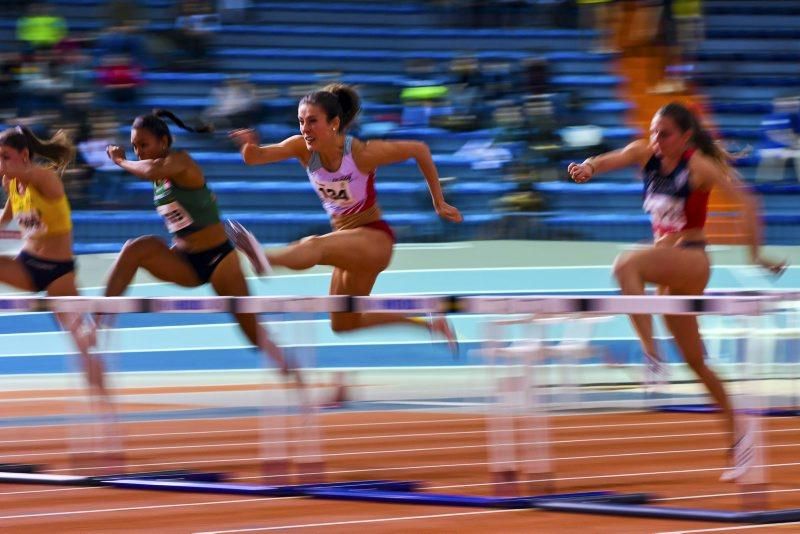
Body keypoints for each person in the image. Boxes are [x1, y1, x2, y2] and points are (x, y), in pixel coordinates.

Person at [567, 102, 785, 481]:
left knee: (626, 265)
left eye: (664, 134)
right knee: (697, 362)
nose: (656, 140)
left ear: (685, 136)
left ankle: (652, 357)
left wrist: (755, 255)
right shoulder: (645, 153)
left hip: (692, 260)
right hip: (667, 264)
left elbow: (748, 200)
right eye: (653, 132)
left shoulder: (698, 165)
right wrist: (587, 167)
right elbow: (608, 159)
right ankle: (741, 438)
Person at [228, 83, 461, 350]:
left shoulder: (361, 153)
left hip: (374, 240)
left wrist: (439, 202)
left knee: (315, 245)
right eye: (301, 121)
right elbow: (256, 158)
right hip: (348, 243)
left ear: (334, 123)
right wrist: (248, 145)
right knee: (342, 323)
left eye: (312, 121)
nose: (305, 129)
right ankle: (430, 323)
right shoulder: (303, 149)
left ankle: (264, 258)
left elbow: (419, 149)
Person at [103, 109, 291, 375]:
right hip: (185, 262)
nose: (139, 152)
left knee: (252, 332)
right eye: (134, 147)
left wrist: (121, 161)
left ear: (164, 142)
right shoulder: (158, 176)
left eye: (144, 145)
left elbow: (149, 169)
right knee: (135, 249)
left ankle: (295, 376)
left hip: (219, 259)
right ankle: (98, 323)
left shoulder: (180, 161)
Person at [0, 125, 113, 440]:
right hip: (27, 266)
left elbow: (32, 175)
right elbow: (3, 221)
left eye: (5, 158)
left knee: (83, 345)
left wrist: (17, 169)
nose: (0, 167)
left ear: (25, 156)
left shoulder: (45, 178)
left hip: (58, 272)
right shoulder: (14, 185)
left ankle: (106, 419)